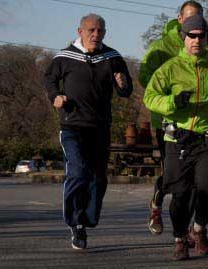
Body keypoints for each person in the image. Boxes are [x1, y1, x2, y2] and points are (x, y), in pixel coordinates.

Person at [143, 14, 208, 260]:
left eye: (202, 36)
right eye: (192, 35)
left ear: (207, 37)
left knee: (207, 188)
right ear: (183, 37)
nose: (197, 40)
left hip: (207, 138)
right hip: (178, 139)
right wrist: (172, 101)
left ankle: (198, 229)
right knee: (180, 195)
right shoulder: (170, 69)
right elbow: (150, 97)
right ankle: (179, 239)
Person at [44, 13, 132, 250]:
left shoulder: (112, 57)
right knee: (77, 171)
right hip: (72, 126)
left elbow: (126, 89)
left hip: (100, 127)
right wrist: (56, 96)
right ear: (80, 31)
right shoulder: (64, 57)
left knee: (98, 178)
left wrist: (123, 84)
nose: (96, 35)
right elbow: (49, 80)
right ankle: (75, 223)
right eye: (91, 30)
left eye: (100, 31)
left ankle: (88, 219)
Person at [139, 0, 204, 235]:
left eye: (198, 18)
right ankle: (156, 205)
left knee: (195, 178)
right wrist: (172, 97)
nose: (193, 24)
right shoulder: (161, 47)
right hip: (168, 121)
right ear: (179, 19)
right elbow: (145, 78)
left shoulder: (206, 46)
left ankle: (185, 229)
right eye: (189, 18)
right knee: (173, 176)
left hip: (198, 123)